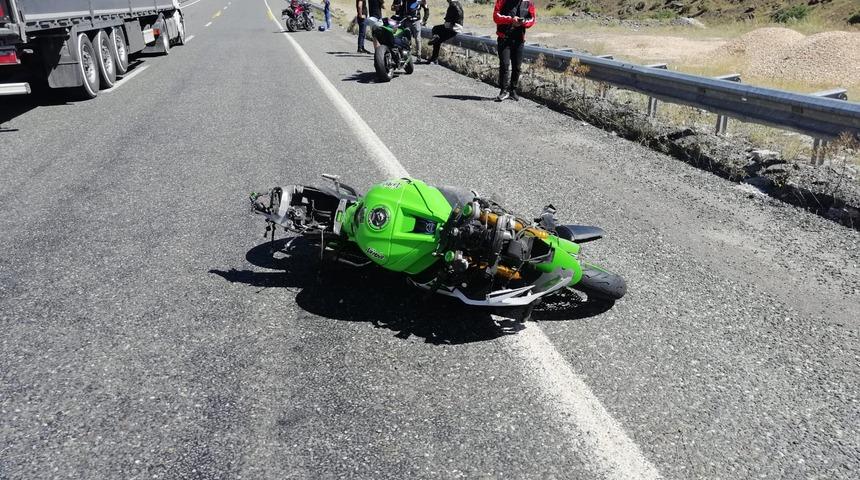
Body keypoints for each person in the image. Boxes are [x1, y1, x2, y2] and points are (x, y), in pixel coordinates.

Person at [492, 0, 535, 101]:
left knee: (517, 67)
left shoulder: (528, 2)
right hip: (504, 38)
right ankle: (503, 91)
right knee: (504, 65)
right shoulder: (502, 0)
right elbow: (496, 17)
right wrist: (511, 20)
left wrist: (523, 22)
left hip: (519, 39)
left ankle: (513, 91)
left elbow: (532, 19)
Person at [426, 0, 463, 64]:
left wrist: (448, 24)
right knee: (437, 39)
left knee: (435, 29)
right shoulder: (458, 4)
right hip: (458, 26)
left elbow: (449, 19)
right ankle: (434, 58)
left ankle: (434, 58)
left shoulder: (452, 5)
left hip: (453, 27)